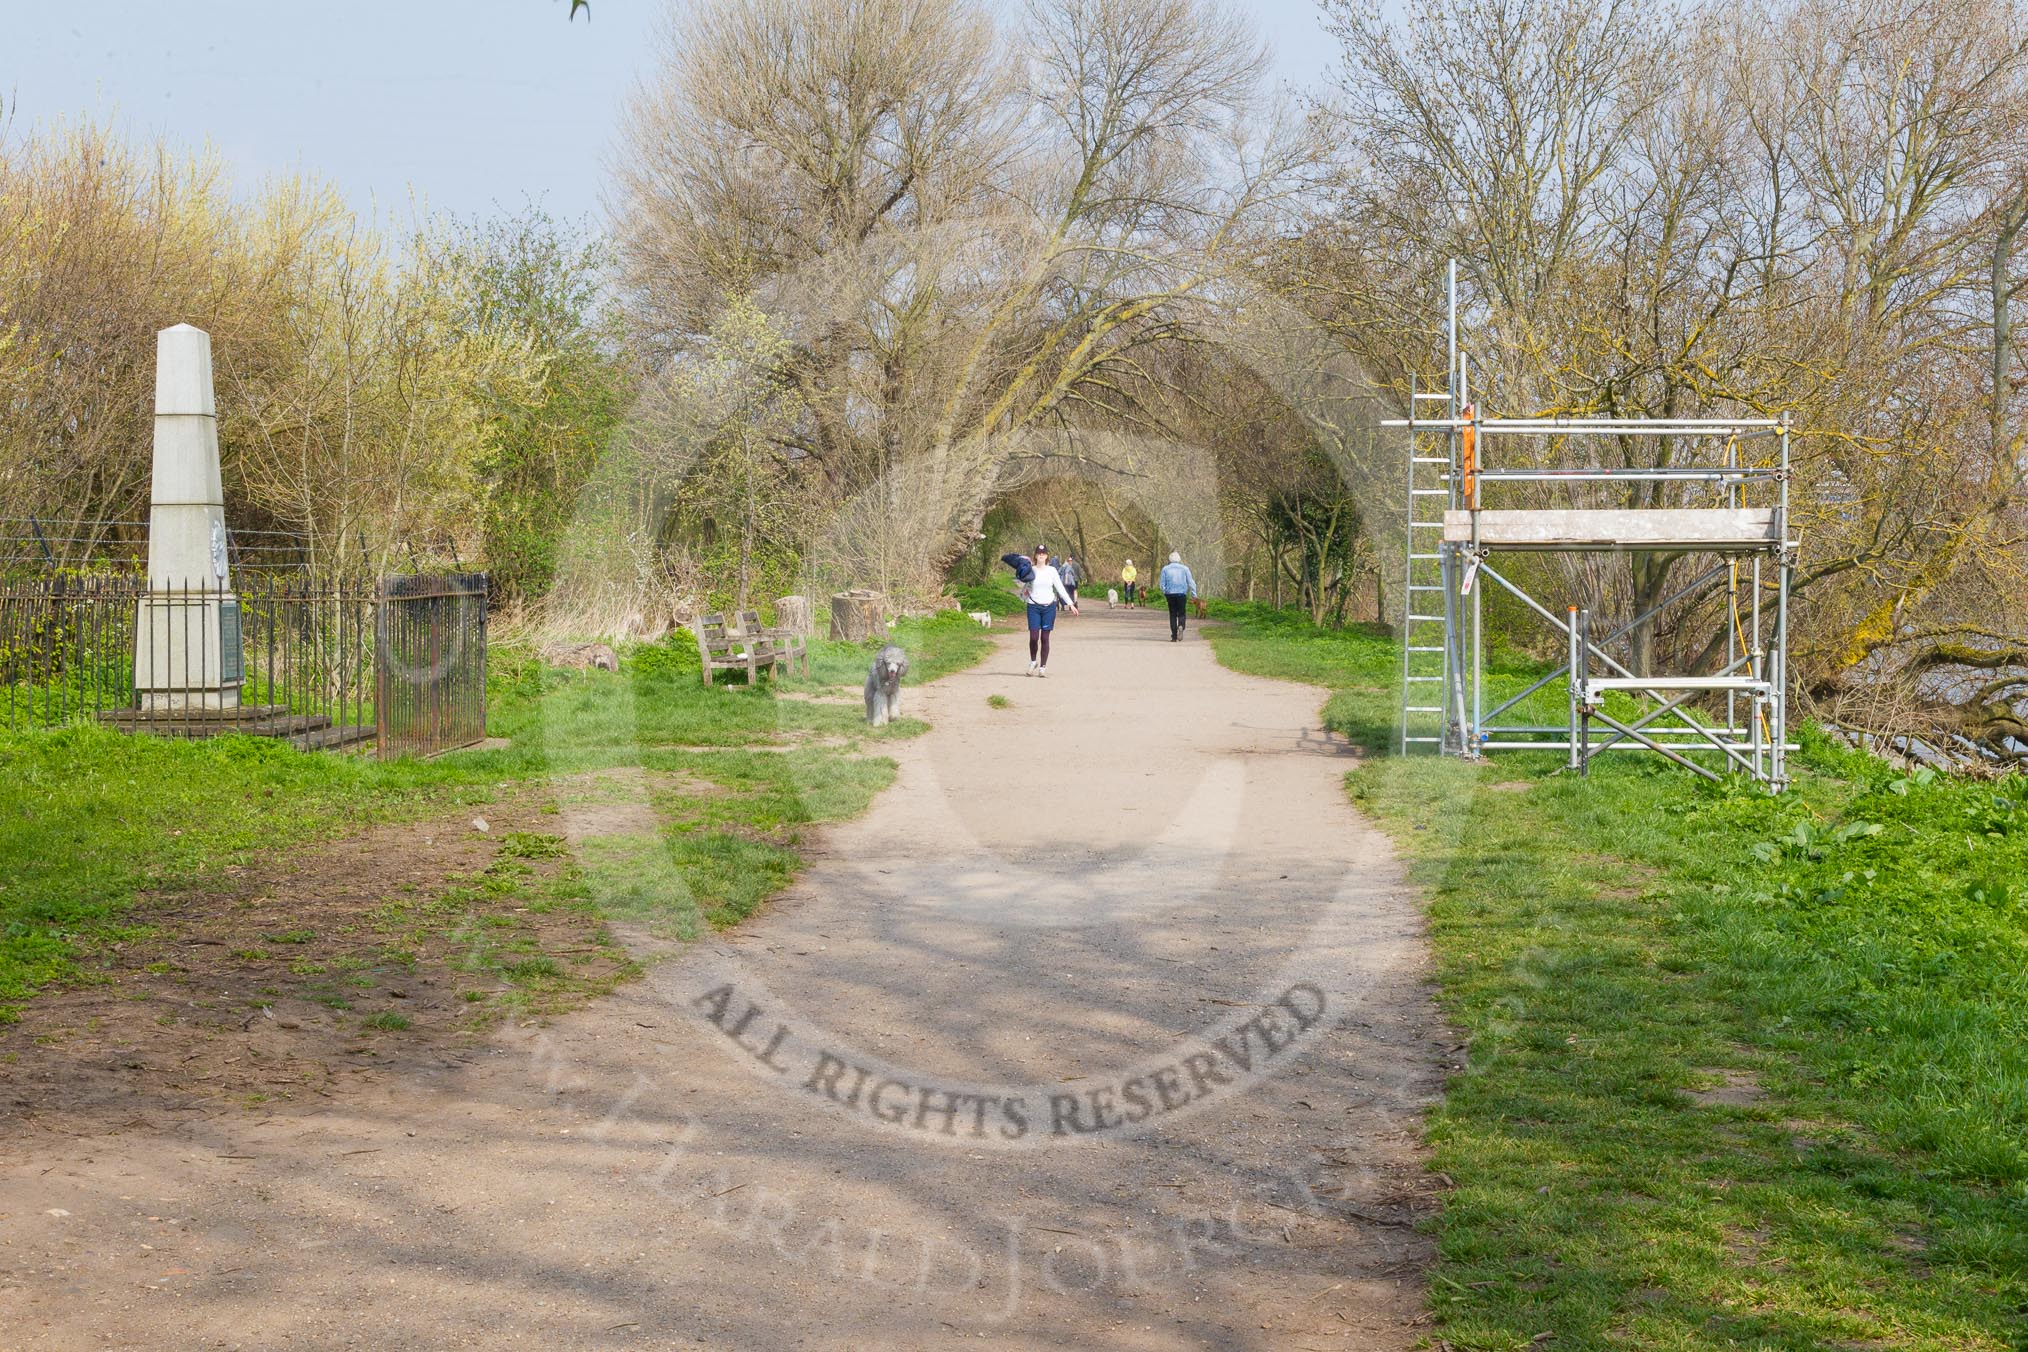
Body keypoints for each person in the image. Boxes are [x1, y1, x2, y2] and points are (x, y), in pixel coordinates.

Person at [1022, 544, 1078, 675]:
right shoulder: (1031, 570)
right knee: (1034, 637)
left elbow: (1060, 588)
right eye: (1039, 553)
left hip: (1049, 607)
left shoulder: (1052, 570)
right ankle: (1033, 661)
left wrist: (1071, 604)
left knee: (1045, 638)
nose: (1041, 555)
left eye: (1043, 553)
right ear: (1035, 556)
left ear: (1047, 556)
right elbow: (1025, 587)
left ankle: (1042, 667)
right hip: (1033, 606)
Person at [1158, 551, 1196, 642]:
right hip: (1181, 593)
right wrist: (1194, 593)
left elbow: (1162, 583)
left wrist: (1164, 591)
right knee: (1182, 613)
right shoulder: (1185, 568)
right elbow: (1191, 581)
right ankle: (1181, 626)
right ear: (1179, 559)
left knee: (1173, 614)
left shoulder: (1165, 569)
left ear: (1170, 559)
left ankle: (1174, 636)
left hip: (1170, 594)